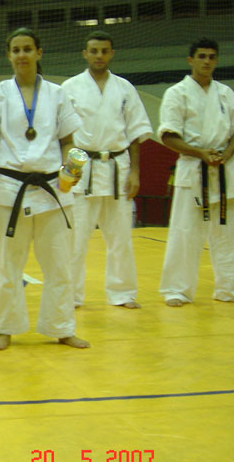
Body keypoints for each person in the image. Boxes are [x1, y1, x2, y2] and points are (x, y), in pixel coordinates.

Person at [0, 28, 90, 351]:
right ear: (9, 55)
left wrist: (71, 169)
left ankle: (62, 328)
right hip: (10, 188)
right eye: (16, 50)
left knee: (60, 264)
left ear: (39, 52)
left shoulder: (57, 94)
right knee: (7, 265)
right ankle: (6, 329)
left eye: (27, 49)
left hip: (52, 187)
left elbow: (68, 141)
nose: (21, 55)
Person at [62, 31, 152, 309]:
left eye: (104, 51)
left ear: (111, 53)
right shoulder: (69, 88)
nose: (99, 56)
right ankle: (70, 295)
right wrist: (67, 172)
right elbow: (61, 134)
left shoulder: (125, 88)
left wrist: (135, 172)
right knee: (75, 239)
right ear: (85, 54)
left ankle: (122, 292)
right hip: (81, 168)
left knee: (121, 237)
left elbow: (135, 133)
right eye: (94, 51)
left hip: (117, 168)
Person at [158, 37, 234, 306]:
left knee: (228, 233)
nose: (207, 61)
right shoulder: (177, 93)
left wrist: (226, 154)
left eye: (212, 57)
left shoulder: (226, 93)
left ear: (217, 60)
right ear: (191, 60)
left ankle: (229, 287)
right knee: (185, 232)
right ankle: (177, 289)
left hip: (224, 170)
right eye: (201, 56)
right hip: (193, 169)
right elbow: (168, 135)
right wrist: (200, 153)